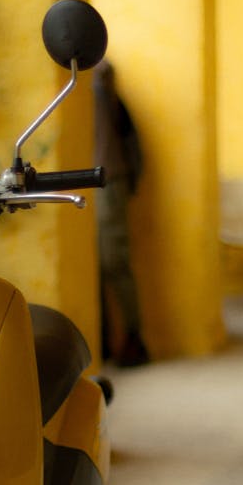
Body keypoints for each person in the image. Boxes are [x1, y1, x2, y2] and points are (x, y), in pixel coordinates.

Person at [93, 60, 149, 367]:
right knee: (93, 267)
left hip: (108, 180)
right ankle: (101, 340)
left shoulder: (97, 75)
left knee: (113, 261)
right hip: (87, 181)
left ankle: (133, 338)